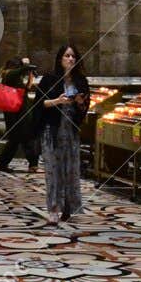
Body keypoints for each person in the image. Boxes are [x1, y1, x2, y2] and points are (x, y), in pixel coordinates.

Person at [36, 43, 91, 223]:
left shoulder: (81, 81)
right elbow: (39, 103)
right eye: (67, 56)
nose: (70, 59)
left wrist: (80, 102)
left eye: (73, 56)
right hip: (51, 130)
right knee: (53, 170)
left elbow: (84, 107)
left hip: (70, 130)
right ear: (60, 59)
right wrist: (57, 101)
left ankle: (68, 207)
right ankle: (53, 208)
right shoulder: (49, 79)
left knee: (70, 170)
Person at [0, 56, 40, 173]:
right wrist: (26, 66)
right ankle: (32, 165)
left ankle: (2, 164)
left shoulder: (15, 78)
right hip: (15, 112)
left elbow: (28, 87)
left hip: (20, 110)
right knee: (21, 137)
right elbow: (18, 71)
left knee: (17, 138)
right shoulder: (9, 74)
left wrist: (30, 74)